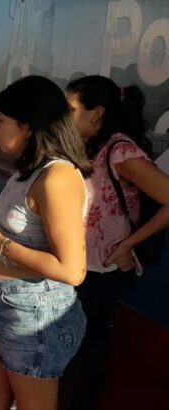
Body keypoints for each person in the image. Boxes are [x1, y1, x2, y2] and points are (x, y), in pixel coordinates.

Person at [0, 75, 91, 410]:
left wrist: (0, 246)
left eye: (0, 121)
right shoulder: (29, 170)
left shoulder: (57, 177)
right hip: (2, 302)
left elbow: (73, 271)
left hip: (35, 314)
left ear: (29, 126)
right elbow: (17, 230)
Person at [64, 75, 169, 409]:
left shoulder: (120, 151)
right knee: (75, 344)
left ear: (97, 113)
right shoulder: (89, 146)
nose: (64, 118)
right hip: (80, 265)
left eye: (71, 109)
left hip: (102, 270)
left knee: (88, 347)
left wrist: (128, 245)